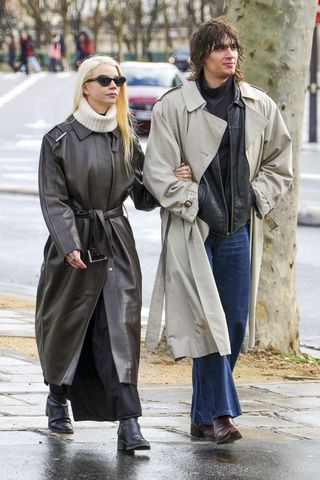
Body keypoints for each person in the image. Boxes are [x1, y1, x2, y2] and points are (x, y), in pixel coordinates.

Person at [143, 18, 293, 445]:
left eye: (234, 47)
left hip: (238, 229)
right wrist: (189, 193)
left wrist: (254, 194)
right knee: (208, 322)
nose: (230, 54)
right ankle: (223, 415)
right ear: (201, 56)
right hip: (194, 227)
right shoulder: (173, 106)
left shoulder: (258, 105)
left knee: (235, 321)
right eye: (220, 48)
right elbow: (158, 172)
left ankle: (200, 414)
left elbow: (281, 162)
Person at [36, 55, 158, 451]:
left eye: (118, 80)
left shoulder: (126, 138)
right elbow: (54, 200)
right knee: (67, 326)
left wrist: (168, 177)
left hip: (116, 242)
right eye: (104, 79)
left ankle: (129, 423)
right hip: (72, 246)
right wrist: (69, 243)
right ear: (85, 86)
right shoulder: (57, 139)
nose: (113, 86)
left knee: (120, 329)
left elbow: (141, 197)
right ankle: (57, 398)